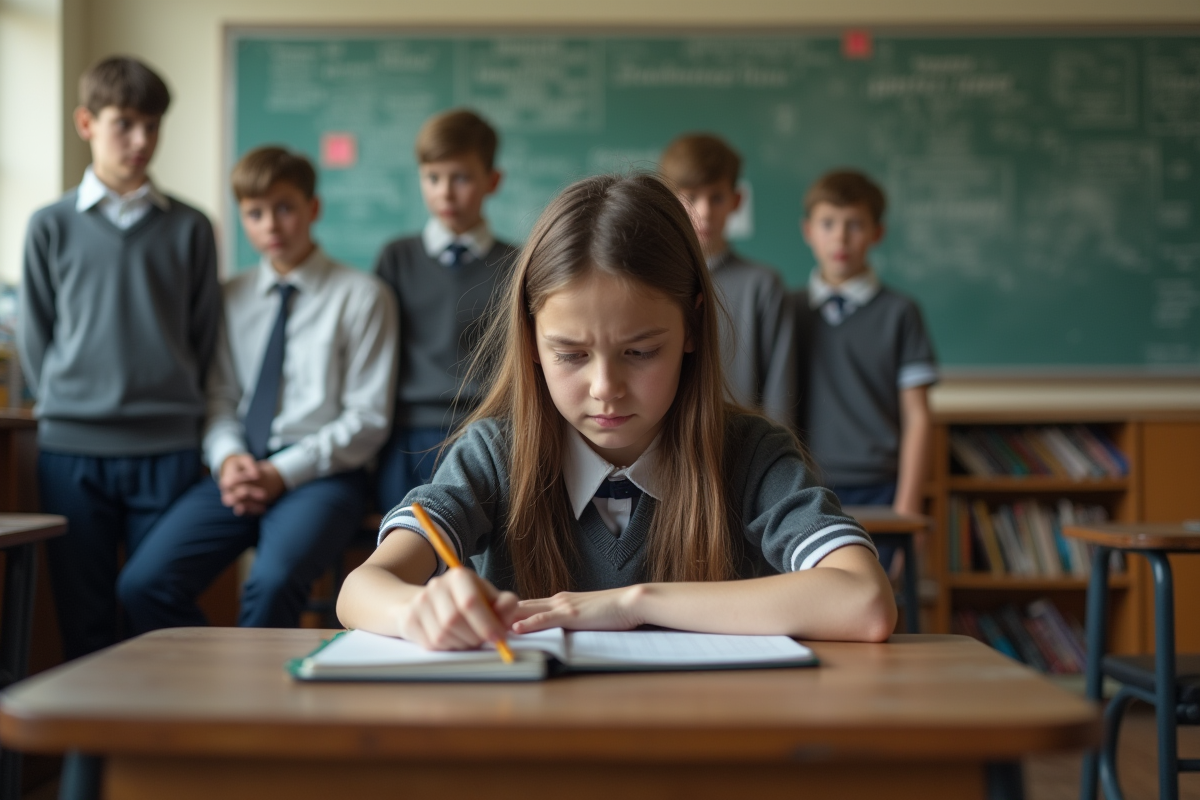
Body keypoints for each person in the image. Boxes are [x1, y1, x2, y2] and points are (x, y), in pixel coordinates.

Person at [336, 173, 895, 649]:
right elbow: (361, 589)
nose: (606, 387)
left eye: (640, 352)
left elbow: (864, 600)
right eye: (571, 354)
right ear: (532, 341)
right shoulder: (494, 456)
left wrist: (633, 604)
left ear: (692, 328)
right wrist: (420, 613)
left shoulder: (751, 455)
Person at [118, 146, 397, 630]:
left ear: (313, 209)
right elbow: (221, 397)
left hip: (321, 475)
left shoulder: (363, 296)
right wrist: (229, 460)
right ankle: (218, 685)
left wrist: (281, 473)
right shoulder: (230, 296)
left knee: (271, 583)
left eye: (285, 208)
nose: (271, 225)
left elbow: (366, 419)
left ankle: (260, 704)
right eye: (255, 212)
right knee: (142, 584)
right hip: (240, 468)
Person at [18, 56, 221, 659]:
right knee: (82, 620)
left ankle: (157, 752)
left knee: (153, 612)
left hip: (167, 447)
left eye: (153, 126)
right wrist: (66, 397)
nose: (141, 141)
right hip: (72, 450)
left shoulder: (190, 228)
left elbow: (204, 335)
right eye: (125, 124)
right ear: (86, 122)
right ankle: (89, 756)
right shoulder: (49, 226)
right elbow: (36, 336)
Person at [374, 108, 519, 511]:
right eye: (432, 178)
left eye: (462, 178)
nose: (445, 193)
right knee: (406, 547)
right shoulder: (396, 258)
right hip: (407, 436)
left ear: (493, 181)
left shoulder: (517, 263)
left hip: (487, 433)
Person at [795, 169, 937, 565]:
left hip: (881, 490)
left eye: (854, 224)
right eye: (828, 224)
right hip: (802, 488)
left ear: (877, 232)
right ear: (808, 231)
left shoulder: (900, 313)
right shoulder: (788, 310)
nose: (840, 237)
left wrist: (908, 509)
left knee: (878, 610)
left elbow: (918, 416)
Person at [659, 133, 796, 427]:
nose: (705, 211)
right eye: (691, 197)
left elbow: (780, 394)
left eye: (716, 197)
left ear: (736, 201)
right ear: (669, 200)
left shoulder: (762, 285)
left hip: (745, 449)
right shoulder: (653, 282)